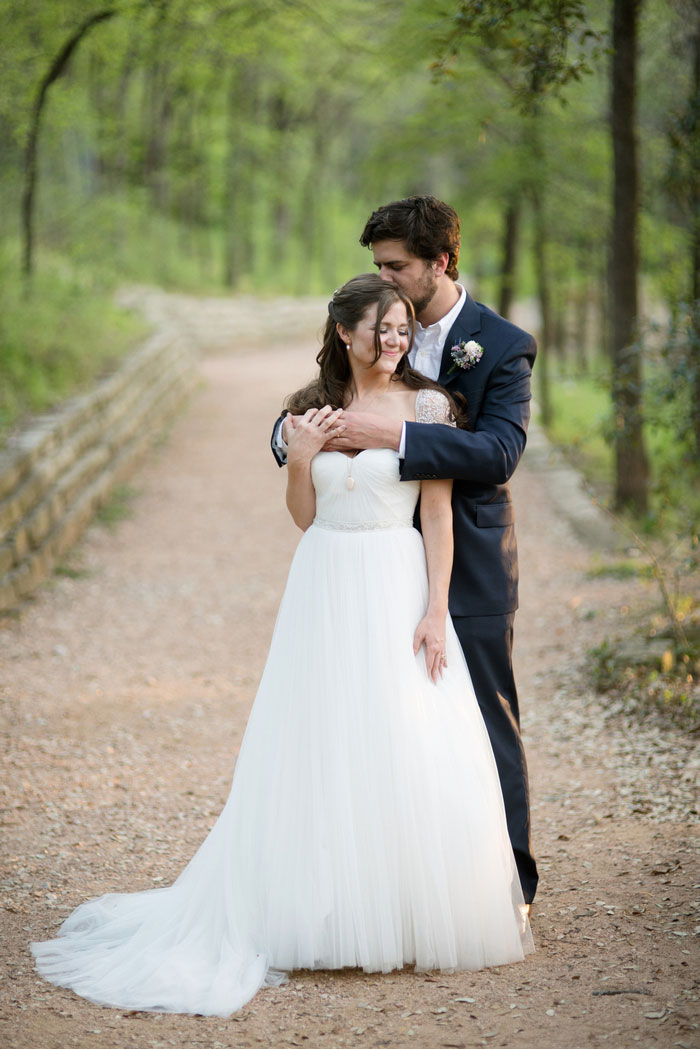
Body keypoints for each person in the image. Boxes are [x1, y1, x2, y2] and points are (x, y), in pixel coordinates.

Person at [31, 275, 532, 1019]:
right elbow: (304, 515)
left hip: (394, 579)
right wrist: (301, 458)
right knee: (321, 735)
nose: (395, 342)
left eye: (401, 329)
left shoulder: (429, 407)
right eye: (380, 330)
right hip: (325, 579)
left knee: (402, 732)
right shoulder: (310, 409)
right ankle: (320, 907)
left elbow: (440, 517)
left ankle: (402, 906)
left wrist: (435, 611)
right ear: (343, 334)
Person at [274, 197, 538, 905]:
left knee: (479, 716)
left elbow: (499, 452)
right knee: (368, 716)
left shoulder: (501, 344)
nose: (384, 276)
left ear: (440, 262)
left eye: (397, 265)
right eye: (377, 266)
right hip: (362, 562)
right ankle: (377, 879)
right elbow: (304, 413)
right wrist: (298, 441)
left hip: (468, 559)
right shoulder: (374, 323)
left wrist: (392, 436)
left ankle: (502, 882)